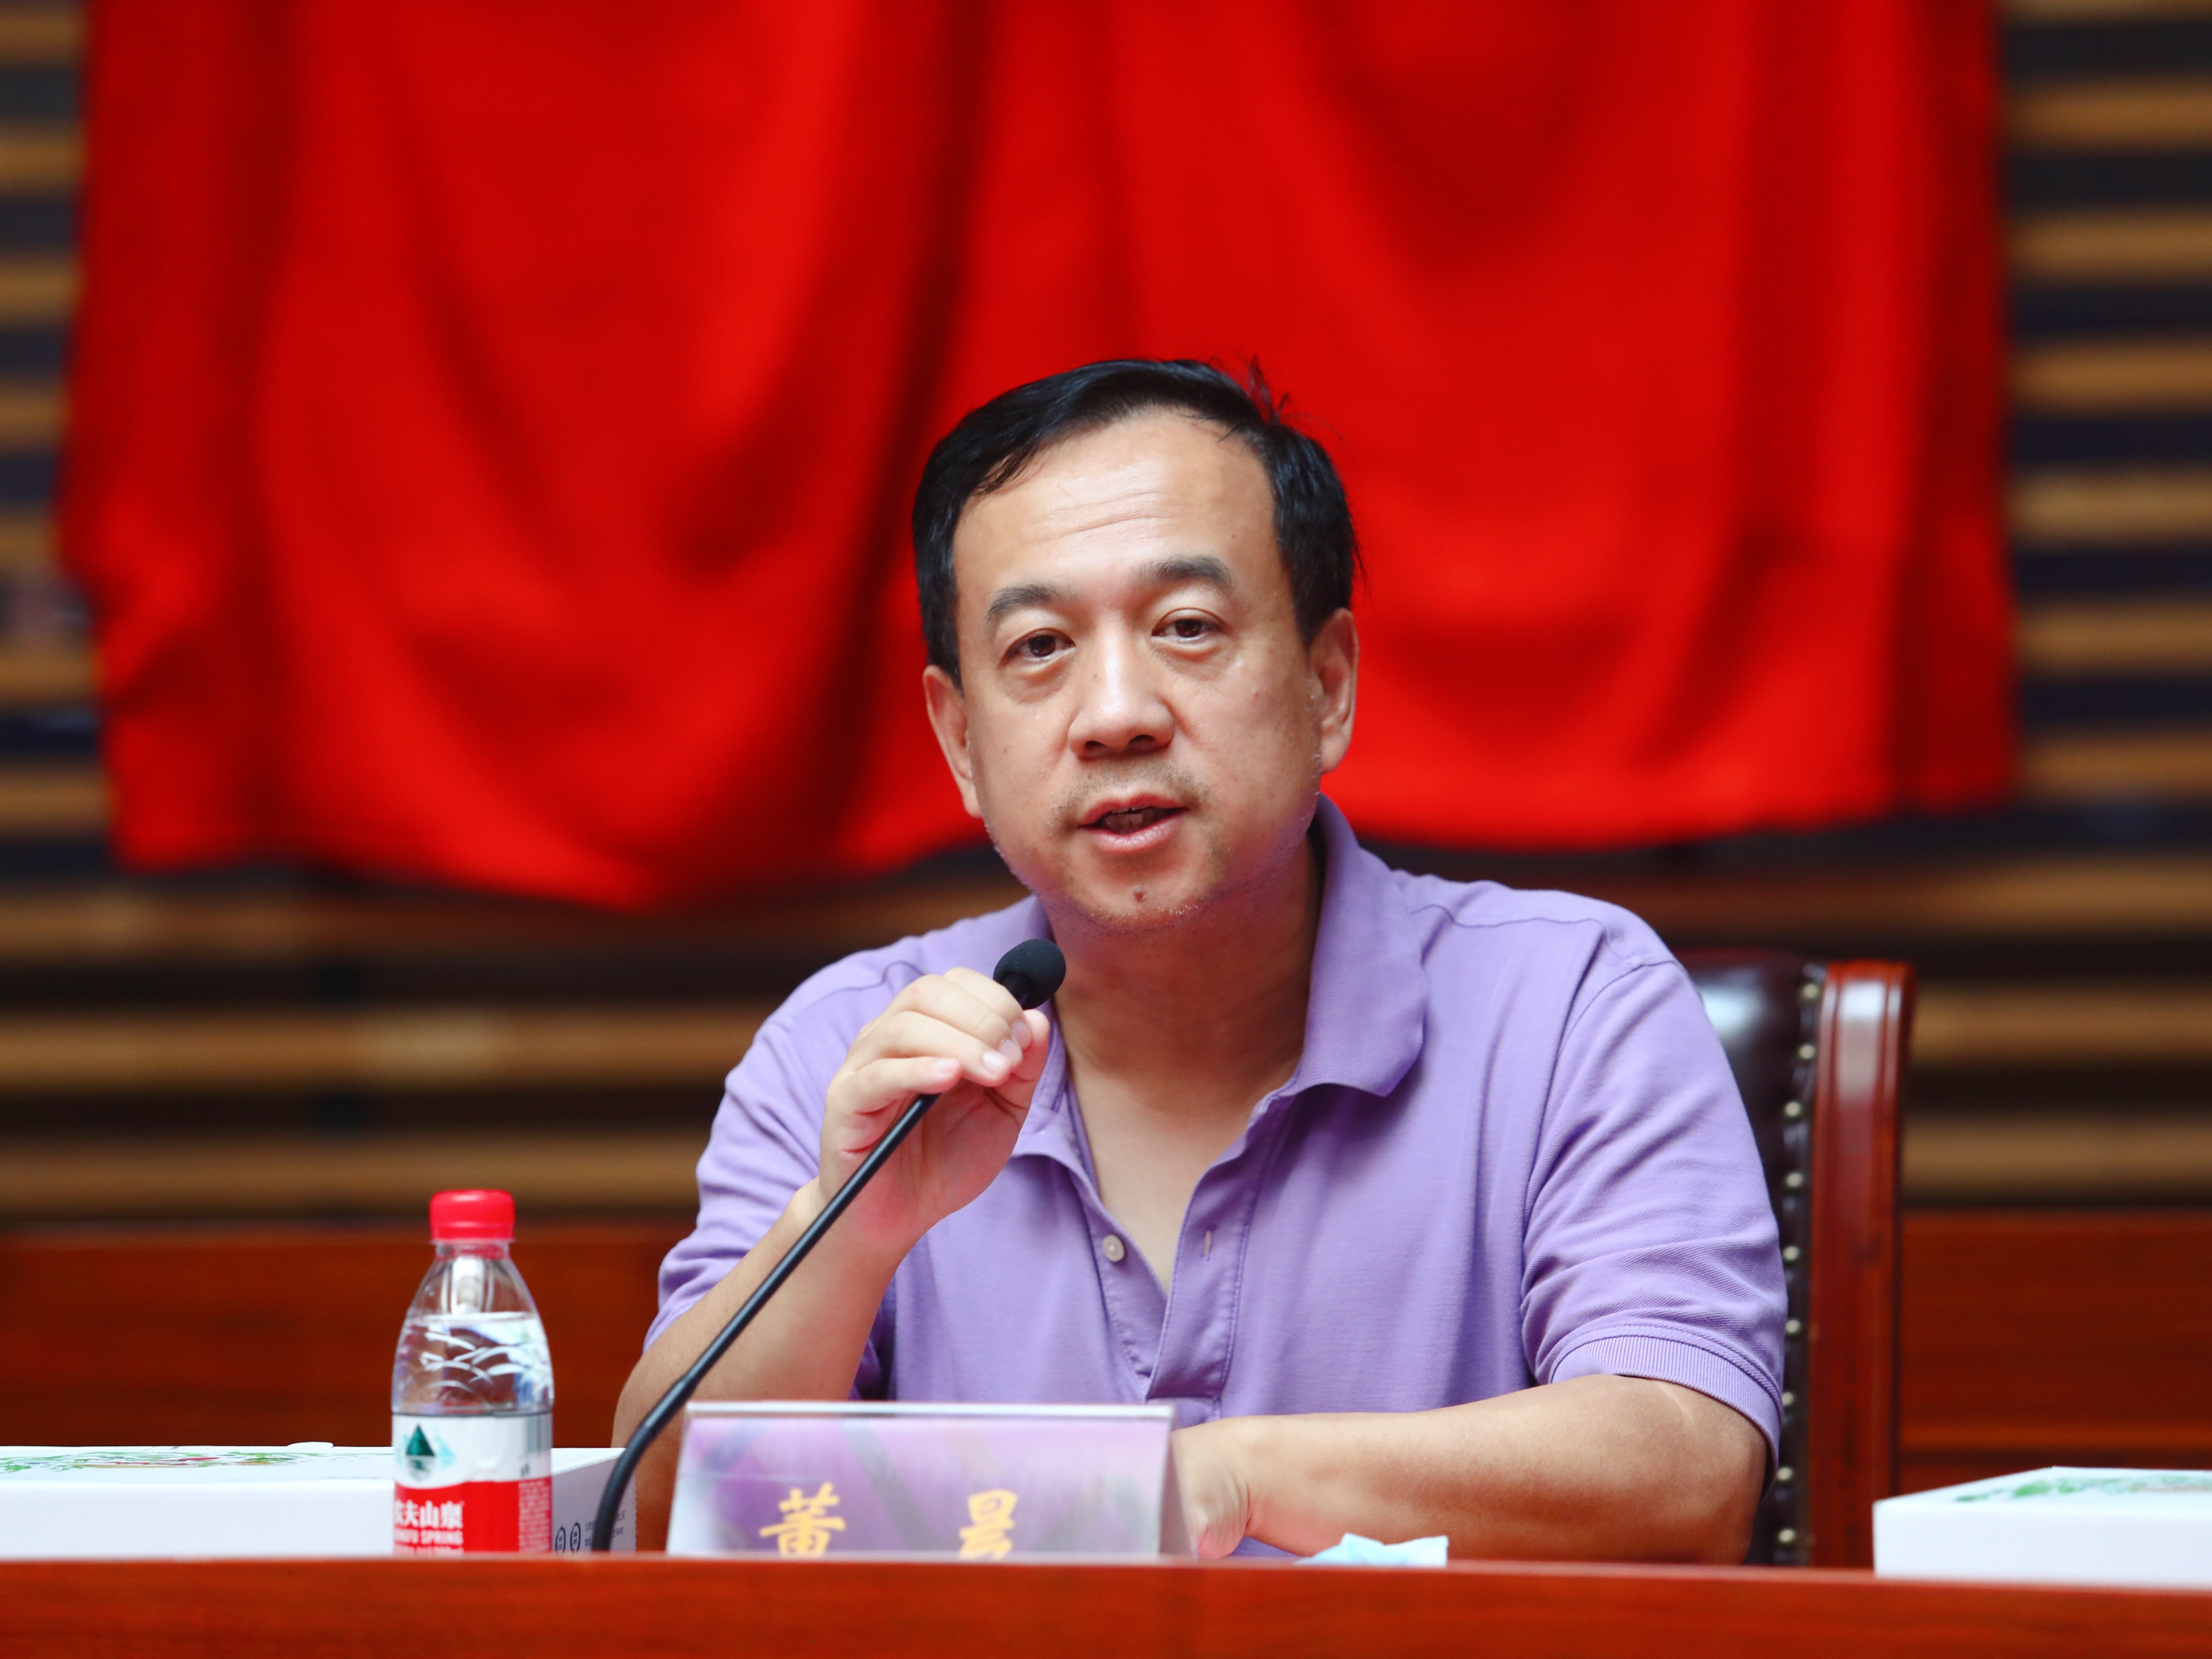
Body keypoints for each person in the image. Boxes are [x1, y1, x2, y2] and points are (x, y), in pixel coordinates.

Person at [617, 359, 1783, 1558]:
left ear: (1327, 686)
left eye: (1186, 628)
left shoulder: (1572, 1005)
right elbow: (652, 1516)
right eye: (1038, 647)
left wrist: (1227, 1480)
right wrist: (848, 1230)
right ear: (960, 741)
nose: (1115, 712)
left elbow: (1688, 1471)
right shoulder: (850, 1048)